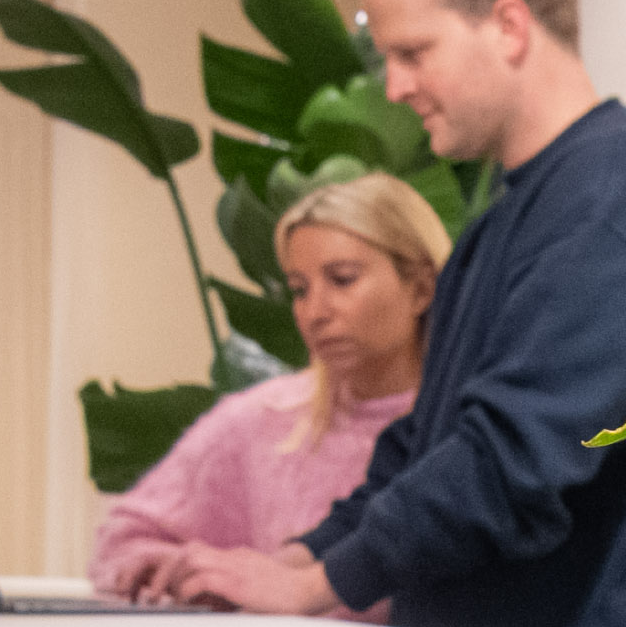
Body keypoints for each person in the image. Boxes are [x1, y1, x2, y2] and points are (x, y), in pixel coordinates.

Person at [110, 0, 626, 627]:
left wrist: (317, 587)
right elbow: (426, 451)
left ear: (509, 27)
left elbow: (515, 467)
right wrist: (297, 559)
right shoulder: (509, 220)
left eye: (413, 54)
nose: (395, 87)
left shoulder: (620, 192)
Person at [83, 175, 443, 589]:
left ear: (421, 288)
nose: (315, 312)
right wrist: (179, 572)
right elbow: (126, 539)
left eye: (342, 279)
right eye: (299, 290)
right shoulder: (259, 419)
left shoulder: (471, 427)